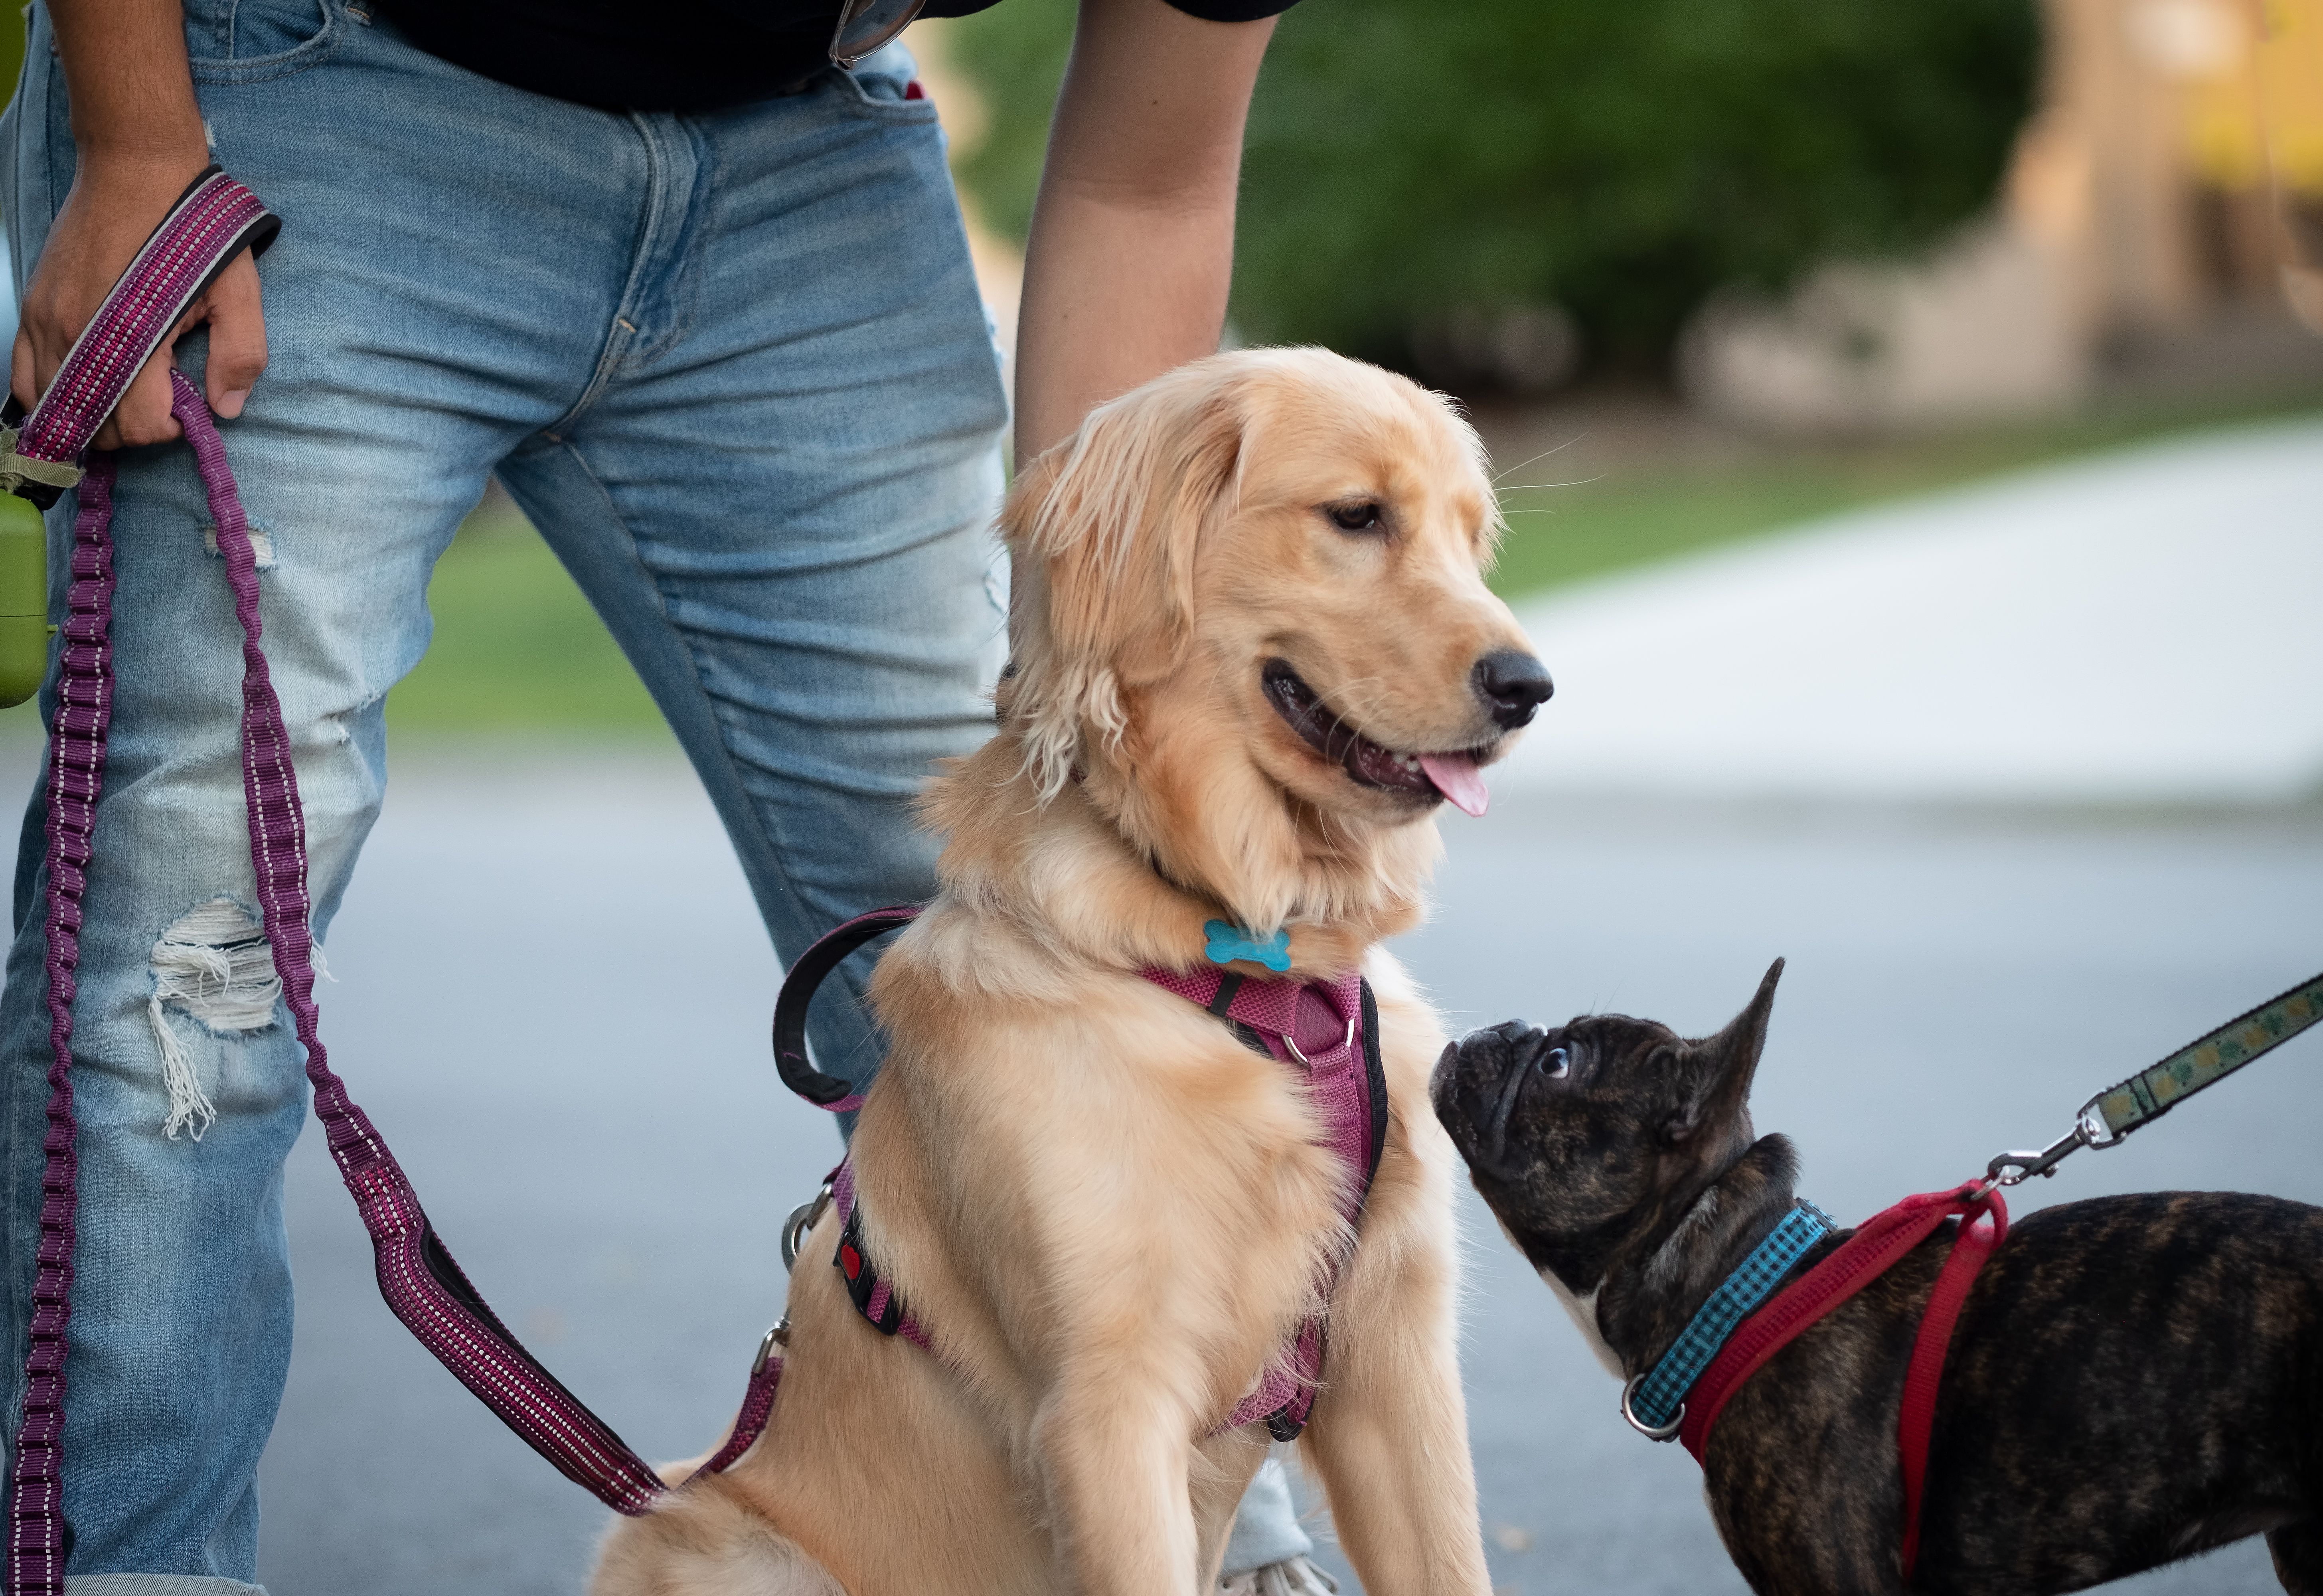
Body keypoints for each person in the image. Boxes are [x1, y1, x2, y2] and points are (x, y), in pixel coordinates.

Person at [0, 0, 1338, 1590]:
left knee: (1039, 900)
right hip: (323, 93)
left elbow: (1144, 188)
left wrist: (1086, 654)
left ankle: (1201, 1541)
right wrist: (142, 143)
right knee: (186, 948)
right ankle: (134, 1568)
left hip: (809, 175)